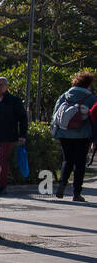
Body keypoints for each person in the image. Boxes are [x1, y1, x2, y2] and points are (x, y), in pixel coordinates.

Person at [50, 70, 97, 202]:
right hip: (83, 135)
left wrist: (56, 133)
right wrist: (94, 138)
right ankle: (76, 193)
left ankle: (62, 184)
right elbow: (94, 119)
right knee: (80, 163)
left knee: (67, 160)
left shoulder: (64, 96)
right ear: (88, 84)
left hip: (65, 133)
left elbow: (56, 115)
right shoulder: (92, 98)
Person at [0, 76, 28, 194]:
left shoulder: (14, 101)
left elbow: (23, 118)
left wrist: (22, 135)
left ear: (6, 86)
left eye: (1, 85)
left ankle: (2, 186)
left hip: (8, 136)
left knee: (1, 158)